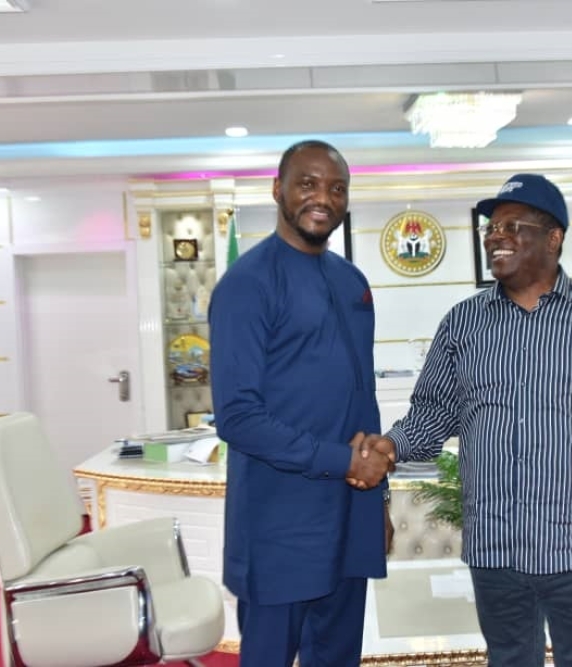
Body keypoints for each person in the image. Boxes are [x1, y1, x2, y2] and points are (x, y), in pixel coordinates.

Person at [356, 173, 572, 667]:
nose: (495, 236)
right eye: (490, 228)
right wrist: (391, 448)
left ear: (554, 238)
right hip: (496, 548)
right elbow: (433, 414)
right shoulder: (462, 323)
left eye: (512, 225)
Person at [209, 139, 394, 667]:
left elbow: (363, 399)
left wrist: (378, 496)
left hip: (351, 516)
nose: (324, 198)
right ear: (278, 190)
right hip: (279, 528)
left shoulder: (352, 280)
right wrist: (346, 462)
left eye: (337, 188)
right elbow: (238, 417)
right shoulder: (247, 284)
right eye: (308, 184)